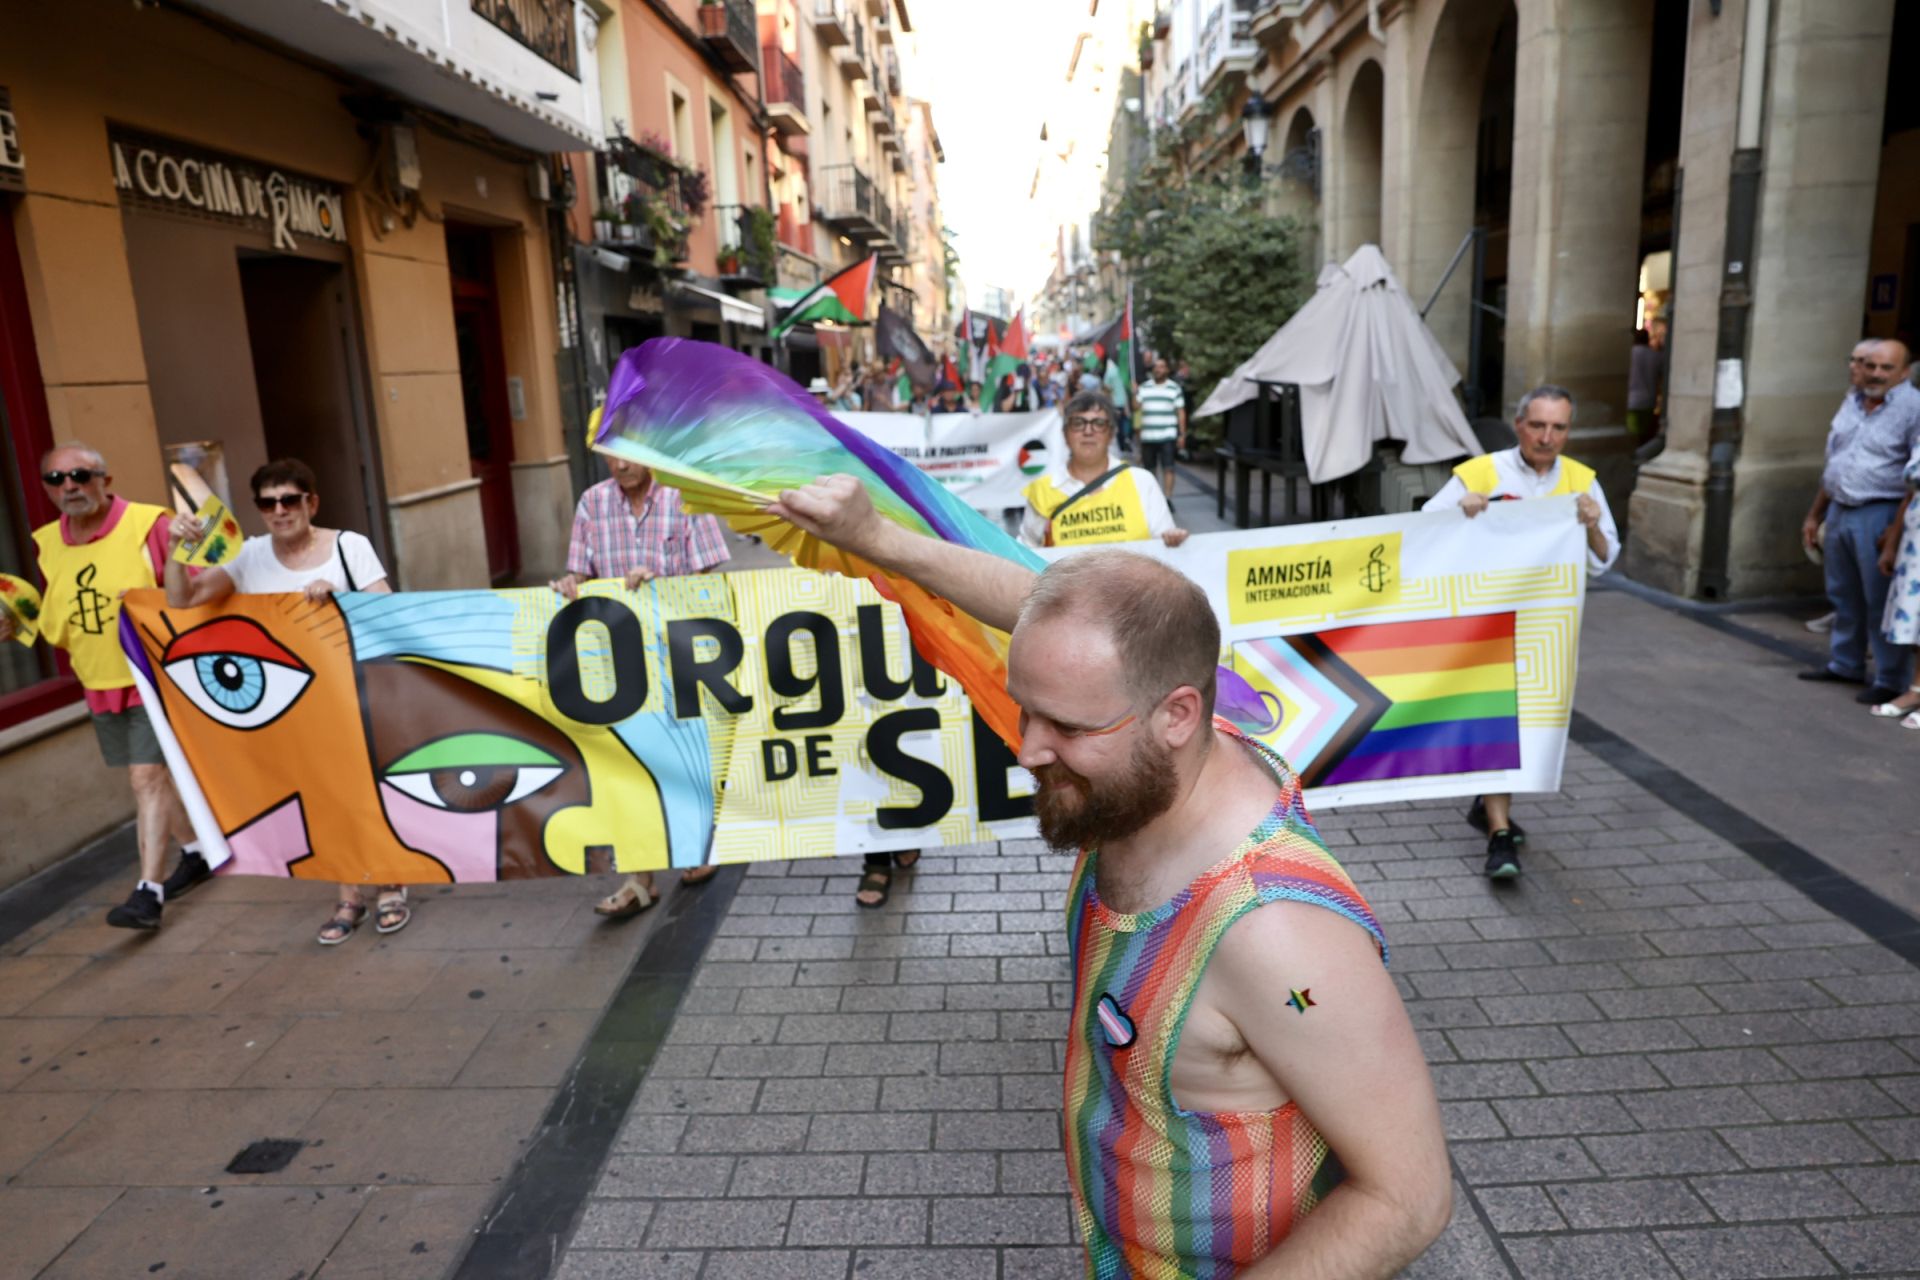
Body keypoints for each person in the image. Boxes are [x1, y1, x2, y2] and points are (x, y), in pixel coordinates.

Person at [766, 476, 1452, 1278]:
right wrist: (873, 536)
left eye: (1068, 726)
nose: (1027, 749)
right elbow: (1040, 610)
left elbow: (1407, 1198)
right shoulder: (1160, 740)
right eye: (1028, 709)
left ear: (1177, 715)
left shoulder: (1277, 935)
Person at [163, 458, 406, 944]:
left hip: (350, 693)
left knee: (364, 792)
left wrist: (339, 594)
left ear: (310, 503)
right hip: (290, 706)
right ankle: (349, 896)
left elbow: (389, 607)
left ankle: (391, 886)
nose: (279, 510)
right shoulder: (249, 557)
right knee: (321, 799)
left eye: (289, 500)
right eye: (268, 503)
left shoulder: (347, 546)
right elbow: (183, 600)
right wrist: (176, 551)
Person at [1, 443, 203, 930]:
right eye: (56, 479)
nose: (69, 485)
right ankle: (196, 852)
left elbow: (191, 592)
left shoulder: (149, 525)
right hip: (99, 679)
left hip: (152, 675)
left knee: (145, 779)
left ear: (105, 480)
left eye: (80, 474)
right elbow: (59, 612)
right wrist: (19, 621)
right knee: (153, 778)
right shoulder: (48, 542)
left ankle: (147, 893)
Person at [1422, 386, 1618, 879]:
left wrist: (1592, 525)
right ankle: (1499, 834)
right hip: (1486, 623)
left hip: (1545, 628)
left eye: (1558, 428)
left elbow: (1604, 557)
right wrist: (1458, 509)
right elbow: (1424, 529)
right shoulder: (1481, 472)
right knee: (1497, 723)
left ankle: (1487, 806)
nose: (1547, 437)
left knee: (1526, 726)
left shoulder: (1581, 481)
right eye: (1538, 425)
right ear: (1519, 424)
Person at [554, 452, 731, 917]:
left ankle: (693, 847)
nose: (618, 464)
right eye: (608, 455)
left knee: (680, 756)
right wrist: (570, 583)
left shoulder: (685, 498)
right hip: (619, 659)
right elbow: (580, 572)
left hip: (676, 651)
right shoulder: (592, 503)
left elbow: (709, 579)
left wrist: (663, 583)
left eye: (627, 453)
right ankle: (640, 878)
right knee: (626, 761)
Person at [1800, 338, 1920, 706]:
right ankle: (1845, 662)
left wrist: (1895, 530)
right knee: (1843, 593)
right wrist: (1815, 513)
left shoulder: (1913, 409)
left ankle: (1889, 677)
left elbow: (1914, 478)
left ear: (1904, 372)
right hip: (1840, 507)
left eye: (1887, 368)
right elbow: (1835, 460)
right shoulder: (1851, 400)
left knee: (1877, 598)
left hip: (1880, 510)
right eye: (1871, 366)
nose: (1876, 374)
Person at [1021, 391, 1187, 549]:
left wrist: (1174, 540)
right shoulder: (1041, 492)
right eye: (1078, 423)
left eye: (1098, 424)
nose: (1088, 431)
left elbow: (1164, 547)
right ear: (1065, 434)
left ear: (1111, 433)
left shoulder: (1142, 482)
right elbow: (1025, 556)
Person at [1872, 437, 1920, 726]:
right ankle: (1916, 690)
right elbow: (1911, 493)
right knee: (1916, 619)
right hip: (1916, 543)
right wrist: (1892, 541)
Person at [1135, 356, 1188, 501]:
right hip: (1148, 435)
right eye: (1156, 367)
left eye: (1161, 366)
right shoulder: (1144, 387)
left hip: (1167, 435)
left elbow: (1181, 412)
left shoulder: (1174, 388)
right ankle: (1154, 499)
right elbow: (1136, 409)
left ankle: (1168, 498)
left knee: (1169, 468)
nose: (1158, 369)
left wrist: (1182, 435)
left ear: (1167, 369)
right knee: (1149, 471)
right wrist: (1134, 392)